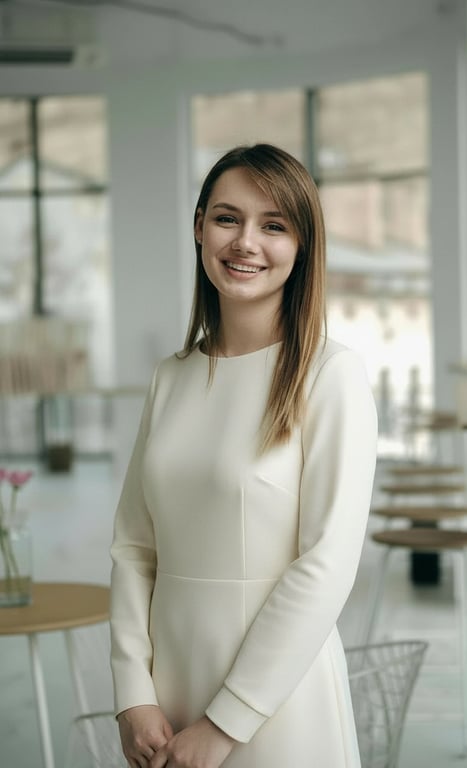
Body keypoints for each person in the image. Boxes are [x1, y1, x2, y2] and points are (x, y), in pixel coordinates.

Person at [110, 143, 378, 768]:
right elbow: (133, 546)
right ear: (199, 225)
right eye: (228, 218)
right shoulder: (170, 377)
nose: (245, 242)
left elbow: (327, 563)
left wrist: (228, 722)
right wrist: (132, 693)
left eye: (274, 225)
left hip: (276, 698)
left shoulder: (330, 374)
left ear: (302, 246)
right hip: (166, 694)